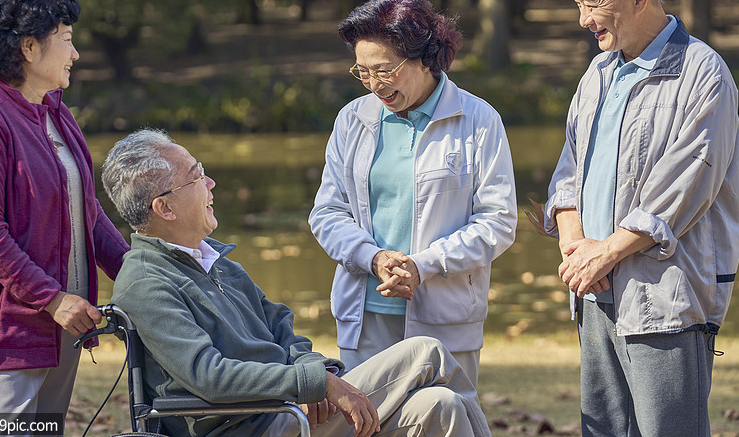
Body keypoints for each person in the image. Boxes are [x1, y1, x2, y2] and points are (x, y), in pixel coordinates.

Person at [101, 129, 493, 437]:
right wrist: (314, 384)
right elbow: (210, 376)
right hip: (249, 426)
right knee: (427, 352)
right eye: (197, 177)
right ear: (164, 207)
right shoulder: (145, 282)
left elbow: (284, 333)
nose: (211, 183)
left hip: (288, 410)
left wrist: (312, 375)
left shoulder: (217, 262)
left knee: (442, 406)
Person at [542, 0, 739, 436]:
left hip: (665, 300)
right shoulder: (597, 74)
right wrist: (574, 243)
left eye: (593, 4)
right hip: (595, 291)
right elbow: (569, 167)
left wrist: (606, 252)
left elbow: (683, 189)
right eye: (579, 4)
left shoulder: (703, 74)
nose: (583, 19)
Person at [0, 0, 130, 423]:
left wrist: (139, 273)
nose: (75, 53)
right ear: (29, 48)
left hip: (63, 327)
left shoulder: (56, 112)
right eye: (66, 40)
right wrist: (52, 298)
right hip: (6, 334)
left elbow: (87, 214)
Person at [308, 0, 517, 388]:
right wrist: (373, 258)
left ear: (425, 57)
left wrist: (424, 265)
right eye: (363, 71)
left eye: (384, 70)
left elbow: (498, 222)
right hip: (366, 313)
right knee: (368, 424)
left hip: (446, 314)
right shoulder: (352, 119)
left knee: (446, 418)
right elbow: (327, 212)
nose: (374, 84)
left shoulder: (479, 120)